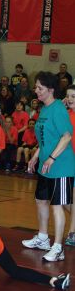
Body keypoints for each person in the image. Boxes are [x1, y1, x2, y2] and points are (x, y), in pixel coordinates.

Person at [22, 71, 75, 262]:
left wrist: (51, 158)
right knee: (41, 200)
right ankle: (43, 238)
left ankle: (58, 247)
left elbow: (66, 136)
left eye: (40, 88)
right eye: (36, 87)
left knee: (57, 206)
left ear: (50, 90)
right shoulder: (44, 109)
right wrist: (35, 156)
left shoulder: (58, 110)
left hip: (61, 166)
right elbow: (45, 139)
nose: (36, 91)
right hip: (45, 165)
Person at [64, 85, 75, 246]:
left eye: (73, 96)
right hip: (67, 162)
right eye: (68, 96)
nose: (70, 99)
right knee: (63, 201)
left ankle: (72, 233)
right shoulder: (66, 115)